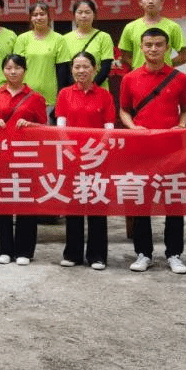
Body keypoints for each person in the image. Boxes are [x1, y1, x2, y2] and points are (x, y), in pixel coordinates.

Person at [119, 27, 186, 274]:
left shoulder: (180, 79)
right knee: (141, 200)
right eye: (148, 45)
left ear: (167, 48)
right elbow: (124, 110)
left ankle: (174, 254)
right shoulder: (130, 78)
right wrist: (133, 128)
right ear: (140, 47)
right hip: (140, 148)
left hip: (171, 148)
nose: (153, 49)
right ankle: (143, 253)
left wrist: (180, 126)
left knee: (174, 200)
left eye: (159, 44)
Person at [55, 51, 115, 270]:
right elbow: (61, 127)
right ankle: (73, 254)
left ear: (95, 69)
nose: (81, 71)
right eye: (76, 67)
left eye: (85, 66)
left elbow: (109, 128)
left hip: (97, 158)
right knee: (74, 206)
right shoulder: (64, 94)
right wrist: (71, 151)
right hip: (72, 157)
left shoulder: (105, 95)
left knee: (97, 204)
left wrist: (95, 152)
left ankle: (97, 255)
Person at [0, 54, 46, 265]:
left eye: (17, 68)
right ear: (3, 70)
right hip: (2, 154)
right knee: (3, 202)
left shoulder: (35, 97)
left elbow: (44, 127)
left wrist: (30, 125)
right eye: (9, 68)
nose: (13, 72)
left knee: (26, 203)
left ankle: (25, 250)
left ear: (24, 70)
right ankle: (4, 249)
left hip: (26, 156)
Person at [118, 0, 186, 70]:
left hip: (164, 76)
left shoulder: (173, 27)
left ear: (162, 0)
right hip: (139, 76)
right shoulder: (130, 27)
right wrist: (139, 68)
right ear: (140, 2)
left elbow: (184, 56)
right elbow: (125, 56)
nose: (150, 1)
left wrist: (165, 66)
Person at [12, 1, 64, 119]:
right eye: (35, 15)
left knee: (48, 130)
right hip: (25, 96)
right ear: (31, 18)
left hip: (50, 97)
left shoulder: (59, 39)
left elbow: (62, 71)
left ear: (48, 16)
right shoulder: (22, 39)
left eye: (42, 14)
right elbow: (16, 69)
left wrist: (59, 98)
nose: (39, 17)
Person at [57, 0, 114, 90]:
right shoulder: (64, 39)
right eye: (80, 12)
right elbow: (64, 69)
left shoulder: (104, 37)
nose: (83, 16)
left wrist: (90, 87)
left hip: (98, 89)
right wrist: (77, 88)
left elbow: (105, 68)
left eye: (87, 12)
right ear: (74, 15)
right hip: (74, 91)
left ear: (94, 15)